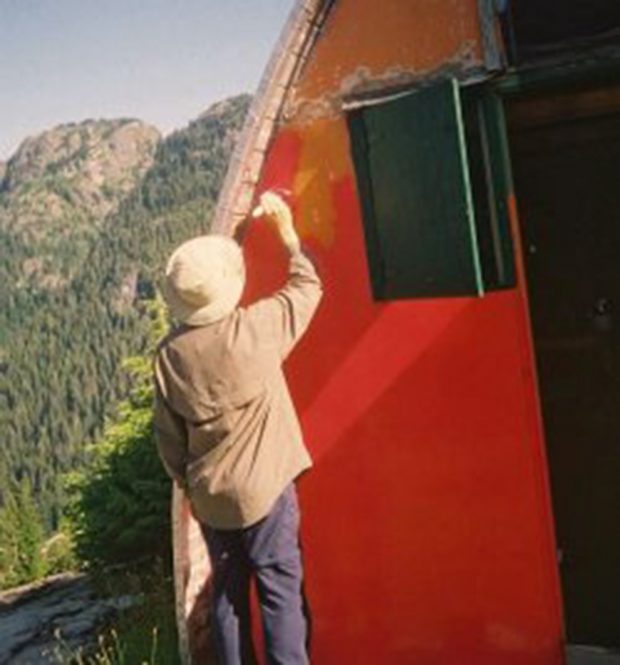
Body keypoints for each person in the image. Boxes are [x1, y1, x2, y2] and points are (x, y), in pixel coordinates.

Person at [153, 191, 323, 665]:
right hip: (266, 490)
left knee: (228, 598)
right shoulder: (255, 330)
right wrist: (287, 231)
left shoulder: (169, 358)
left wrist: (189, 485)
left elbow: (169, 438)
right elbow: (307, 288)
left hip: (212, 497)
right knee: (279, 591)